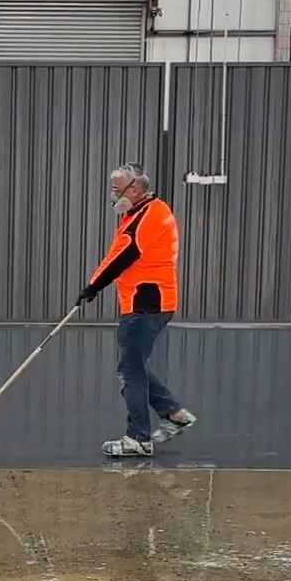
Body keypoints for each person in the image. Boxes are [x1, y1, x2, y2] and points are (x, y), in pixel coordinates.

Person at [77, 163, 195, 457]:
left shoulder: (152, 214)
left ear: (136, 188)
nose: (113, 195)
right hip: (145, 301)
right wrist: (93, 284)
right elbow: (116, 255)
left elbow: (124, 256)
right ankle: (174, 413)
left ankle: (138, 438)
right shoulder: (139, 213)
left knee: (130, 371)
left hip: (146, 303)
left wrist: (93, 286)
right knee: (134, 366)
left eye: (117, 189)